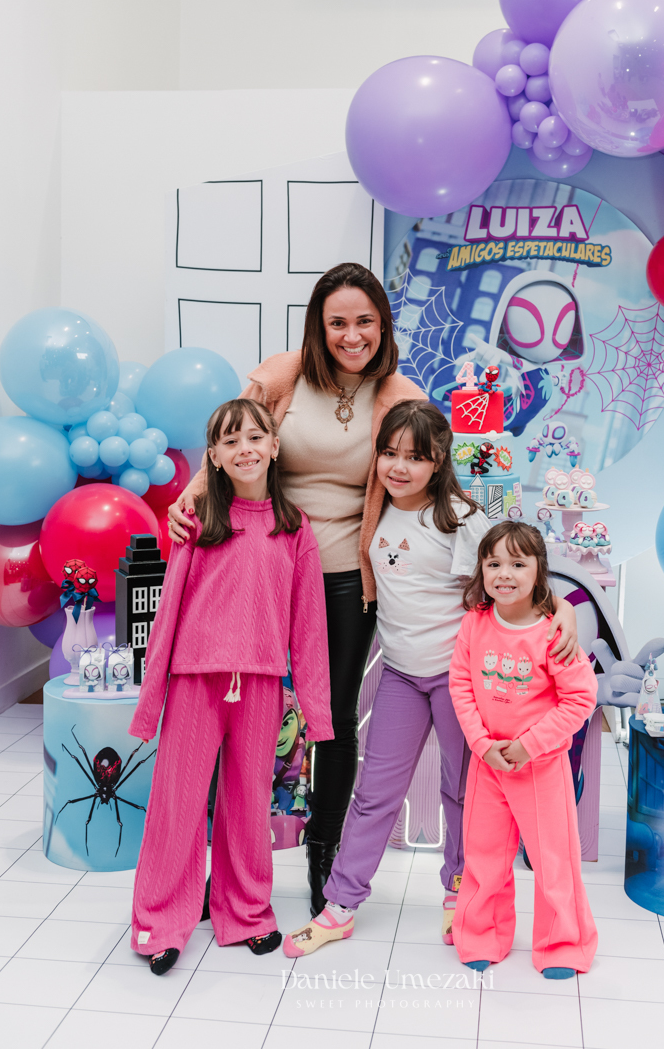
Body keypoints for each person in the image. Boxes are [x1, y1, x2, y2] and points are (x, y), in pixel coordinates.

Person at [168, 262, 580, 913]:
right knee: (236, 711)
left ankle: (324, 856)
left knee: (331, 718)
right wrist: (192, 496)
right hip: (260, 567)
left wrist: (555, 605)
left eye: (365, 321)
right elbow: (229, 443)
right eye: (338, 322)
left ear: (383, 326)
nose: (352, 335)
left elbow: (456, 502)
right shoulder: (282, 377)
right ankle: (211, 865)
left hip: (343, 578)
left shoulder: (399, 394)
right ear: (319, 324)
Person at [281, 401, 585, 958]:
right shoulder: (374, 507)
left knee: (462, 792)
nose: (399, 467)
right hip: (400, 674)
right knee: (374, 794)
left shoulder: (460, 518)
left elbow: (513, 575)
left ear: (438, 460)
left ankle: (458, 892)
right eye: (389, 453)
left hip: (457, 679)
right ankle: (340, 906)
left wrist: (561, 607)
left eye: (415, 457)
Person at [129, 398, 332, 974]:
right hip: (196, 679)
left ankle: (246, 912)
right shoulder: (197, 521)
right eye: (230, 440)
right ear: (214, 457)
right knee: (177, 805)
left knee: (247, 805)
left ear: (274, 446)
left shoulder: (294, 528)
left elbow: (309, 627)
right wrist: (150, 701)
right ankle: (159, 921)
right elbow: (167, 612)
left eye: (255, 437)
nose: (245, 448)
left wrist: (317, 713)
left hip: (261, 684)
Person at [449, 520, 598, 977]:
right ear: (481, 569)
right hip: (488, 764)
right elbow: (461, 686)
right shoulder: (475, 623)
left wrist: (529, 746)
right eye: (494, 564)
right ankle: (481, 935)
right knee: (484, 856)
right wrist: (482, 744)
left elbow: (581, 698)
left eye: (517, 564)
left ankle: (563, 945)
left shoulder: (554, 632)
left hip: (541, 767)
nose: (504, 574)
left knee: (554, 862)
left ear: (538, 571)